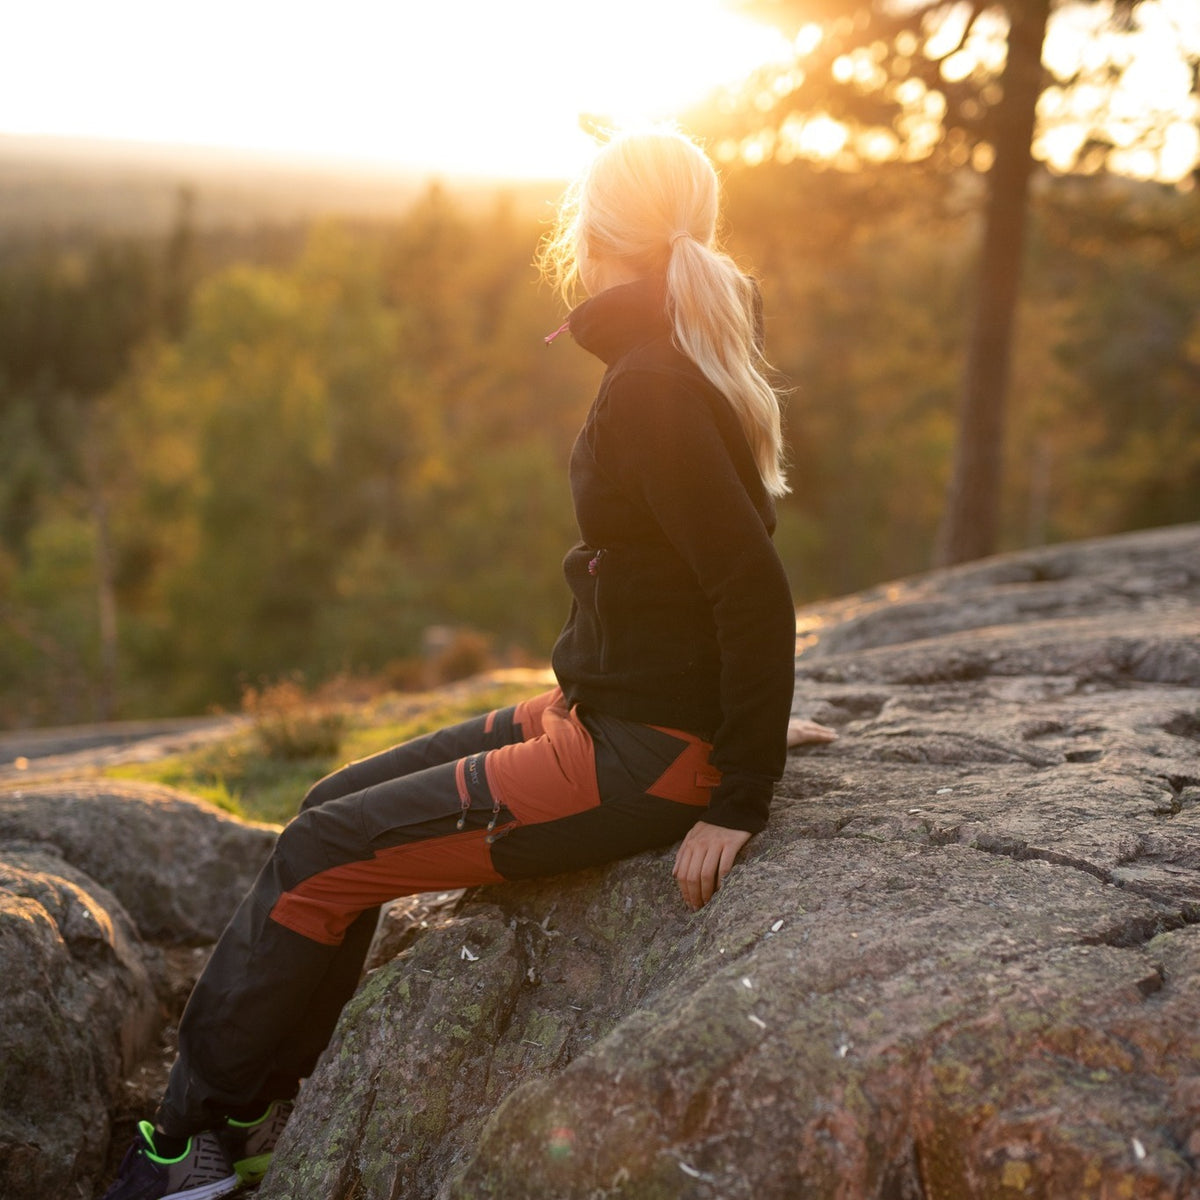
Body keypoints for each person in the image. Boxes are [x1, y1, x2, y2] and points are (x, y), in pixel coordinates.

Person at [101, 126, 804, 1200]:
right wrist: (742, 717)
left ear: (590, 231)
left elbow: (747, 584)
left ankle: (194, 1141)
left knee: (323, 854)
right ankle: (257, 1101)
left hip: (641, 756)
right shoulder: (676, 353)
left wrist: (739, 784)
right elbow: (705, 572)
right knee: (331, 808)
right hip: (615, 717)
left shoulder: (654, 380)